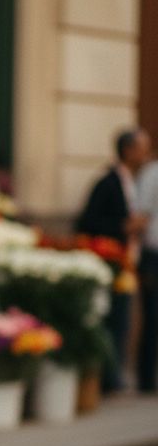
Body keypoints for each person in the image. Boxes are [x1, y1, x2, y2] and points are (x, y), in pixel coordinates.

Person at [75, 128, 151, 390]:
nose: (146, 154)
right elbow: (87, 222)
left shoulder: (134, 181)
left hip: (128, 264)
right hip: (110, 264)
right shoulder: (107, 182)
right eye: (142, 148)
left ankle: (114, 376)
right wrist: (124, 227)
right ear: (127, 151)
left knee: (122, 323)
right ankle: (108, 379)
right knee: (113, 322)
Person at [136, 152, 158, 392]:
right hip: (154, 256)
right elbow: (141, 215)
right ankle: (147, 380)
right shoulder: (153, 173)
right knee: (153, 319)